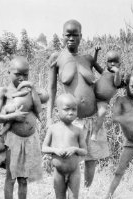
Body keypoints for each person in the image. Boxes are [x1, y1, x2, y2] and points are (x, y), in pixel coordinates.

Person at [48, 19, 109, 188]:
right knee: (68, 160)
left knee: (90, 160)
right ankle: (68, 195)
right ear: (62, 36)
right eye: (68, 34)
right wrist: (48, 118)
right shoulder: (57, 58)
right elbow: (52, 89)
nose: (71, 38)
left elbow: (106, 79)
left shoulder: (87, 59)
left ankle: (87, 194)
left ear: (81, 36)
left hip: (91, 120)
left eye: (75, 35)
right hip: (70, 121)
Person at [0, 56, 43, 199]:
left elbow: (38, 110)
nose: (22, 78)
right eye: (18, 74)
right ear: (9, 71)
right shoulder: (4, 91)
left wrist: (33, 90)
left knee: (23, 179)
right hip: (12, 139)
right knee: (11, 178)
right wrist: (12, 116)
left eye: (25, 75)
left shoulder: (29, 90)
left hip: (29, 140)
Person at [42, 94, 87, 199]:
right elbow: (44, 147)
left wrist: (74, 149)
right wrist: (55, 150)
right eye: (67, 109)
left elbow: (84, 151)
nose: (71, 113)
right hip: (58, 172)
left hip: (74, 171)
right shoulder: (53, 129)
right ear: (56, 111)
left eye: (74, 109)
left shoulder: (78, 130)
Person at [92, 49, 122, 140]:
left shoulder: (118, 75)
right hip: (93, 95)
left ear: (119, 64)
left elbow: (117, 84)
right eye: (110, 61)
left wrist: (117, 73)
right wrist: (96, 52)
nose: (112, 64)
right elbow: (94, 63)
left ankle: (95, 132)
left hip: (103, 101)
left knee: (102, 113)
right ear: (106, 63)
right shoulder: (104, 72)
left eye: (115, 62)